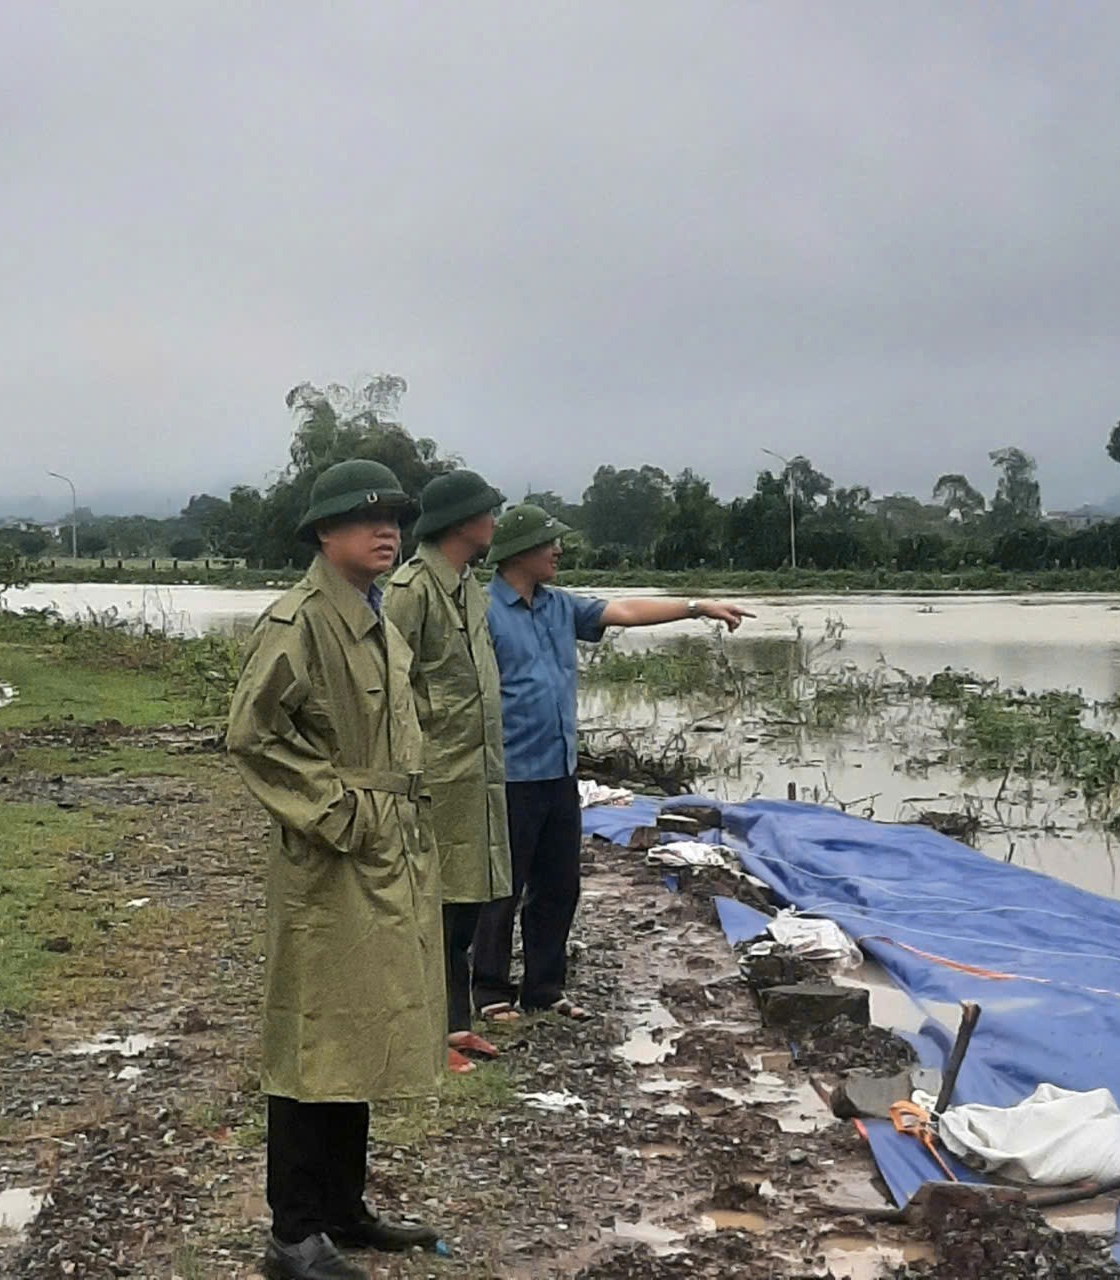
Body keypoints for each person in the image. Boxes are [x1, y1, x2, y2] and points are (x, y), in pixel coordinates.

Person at [227, 459, 445, 1280]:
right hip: (334, 856)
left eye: (395, 517)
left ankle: (344, 1210)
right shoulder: (301, 621)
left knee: (361, 1027)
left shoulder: (377, 619)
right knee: (314, 1035)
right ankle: (292, 1231)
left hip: (385, 849)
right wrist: (341, 814)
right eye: (366, 519)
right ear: (325, 533)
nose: (386, 529)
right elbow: (252, 735)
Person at [471, 504, 754, 1024]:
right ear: (519, 552)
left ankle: (544, 989)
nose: (558, 551)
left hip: (559, 772)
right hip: (507, 774)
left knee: (559, 886)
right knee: (501, 888)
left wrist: (696, 607)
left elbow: (624, 612)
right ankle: (489, 992)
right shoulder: (480, 610)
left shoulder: (560, 606)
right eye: (548, 543)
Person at [384, 470, 512, 1075]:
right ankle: (422, 1035)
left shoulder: (468, 587)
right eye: (487, 512)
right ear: (462, 522)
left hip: (475, 774)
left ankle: (454, 1026)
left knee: (464, 905)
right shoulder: (411, 590)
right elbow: (387, 687)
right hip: (433, 775)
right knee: (431, 908)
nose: (494, 521)